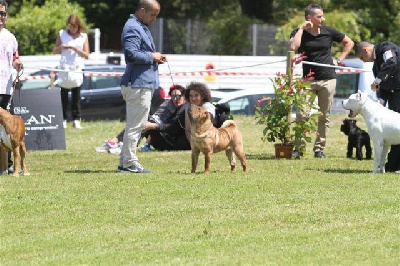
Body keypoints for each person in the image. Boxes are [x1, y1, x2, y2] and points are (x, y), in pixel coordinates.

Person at [288, 3, 354, 159]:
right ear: (309, 18)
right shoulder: (299, 32)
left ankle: (319, 149)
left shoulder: (328, 31)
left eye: (322, 16)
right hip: (307, 80)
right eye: (319, 16)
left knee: (324, 115)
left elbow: (349, 42)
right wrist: (301, 29)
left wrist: (339, 59)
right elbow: (292, 48)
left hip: (328, 79)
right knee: (302, 115)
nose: (323, 19)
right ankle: (299, 148)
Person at [118, 0, 166, 174]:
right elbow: (131, 54)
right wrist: (152, 56)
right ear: (143, 10)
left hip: (141, 84)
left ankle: (124, 162)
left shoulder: (139, 25)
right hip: (137, 85)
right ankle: (130, 163)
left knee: (134, 125)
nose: (154, 19)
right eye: (152, 15)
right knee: (136, 126)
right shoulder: (132, 27)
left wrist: (155, 57)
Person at [355, 41, 400, 173]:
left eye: (362, 58)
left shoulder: (385, 48)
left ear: (365, 50)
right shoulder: (376, 67)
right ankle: (394, 165)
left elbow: (391, 62)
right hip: (394, 97)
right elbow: (384, 88)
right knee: (395, 131)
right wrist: (380, 102)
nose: (364, 61)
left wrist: (377, 81)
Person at [53, 14, 89, 129]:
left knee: (76, 97)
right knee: (63, 96)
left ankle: (76, 119)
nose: (72, 29)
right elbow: (55, 51)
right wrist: (62, 47)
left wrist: (77, 49)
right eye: (70, 26)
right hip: (64, 69)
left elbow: (87, 55)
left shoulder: (83, 36)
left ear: (78, 26)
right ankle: (63, 119)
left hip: (77, 69)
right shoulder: (62, 34)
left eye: (74, 27)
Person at [0, 0, 23, 175]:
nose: (0, 17)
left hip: (6, 89)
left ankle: (7, 166)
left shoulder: (10, 37)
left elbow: (15, 58)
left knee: (9, 132)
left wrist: (18, 64)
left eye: (3, 14)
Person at [141, 84, 190, 151]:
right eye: (173, 96)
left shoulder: (184, 109)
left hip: (178, 144)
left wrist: (154, 126)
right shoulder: (177, 108)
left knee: (150, 124)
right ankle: (128, 142)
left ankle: (127, 143)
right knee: (146, 119)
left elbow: (173, 128)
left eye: (178, 96)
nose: (175, 99)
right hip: (173, 139)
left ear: (184, 96)